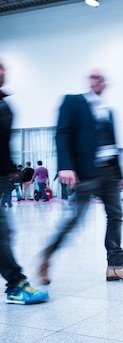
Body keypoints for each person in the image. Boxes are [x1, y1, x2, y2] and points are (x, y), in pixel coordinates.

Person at [39, 69, 123, 285]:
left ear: (105, 84)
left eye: (101, 78)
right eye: (93, 77)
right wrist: (65, 166)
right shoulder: (73, 102)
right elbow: (62, 133)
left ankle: (115, 266)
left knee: (116, 216)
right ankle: (47, 256)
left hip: (108, 172)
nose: (97, 81)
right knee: (76, 218)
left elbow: (112, 144)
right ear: (88, 81)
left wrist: (119, 173)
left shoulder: (108, 111)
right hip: (85, 172)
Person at [0, 59, 48, 304]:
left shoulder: (4, 104)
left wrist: (9, 170)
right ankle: (16, 284)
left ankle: (15, 283)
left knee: (4, 231)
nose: (2, 72)